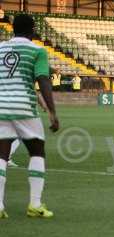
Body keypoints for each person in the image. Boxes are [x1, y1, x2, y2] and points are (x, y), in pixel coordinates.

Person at [0, 14, 59, 219]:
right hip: (24, 107)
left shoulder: (0, 48)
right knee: (37, 151)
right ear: (32, 30)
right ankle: (34, 204)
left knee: (1, 155)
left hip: (1, 107)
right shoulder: (37, 51)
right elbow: (42, 79)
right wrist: (52, 111)